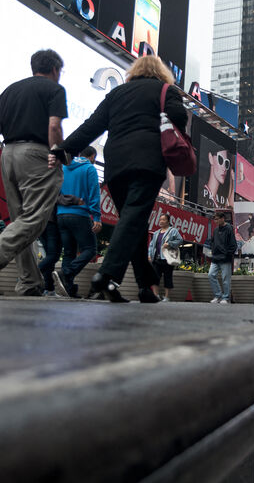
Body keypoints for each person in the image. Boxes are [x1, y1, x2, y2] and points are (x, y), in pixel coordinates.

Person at [55, 55, 187, 303]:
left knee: (133, 221)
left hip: (115, 166)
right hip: (147, 162)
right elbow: (180, 118)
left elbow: (91, 126)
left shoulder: (116, 94)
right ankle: (107, 275)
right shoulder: (165, 90)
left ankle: (145, 287)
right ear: (162, 73)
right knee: (133, 218)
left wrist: (64, 149)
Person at [0, 49, 66, 295]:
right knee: (34, 219)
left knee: (19, 220)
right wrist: (59, 153)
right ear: (55, 69)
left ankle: (29, 281)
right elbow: (54, 126)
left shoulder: (10, 90)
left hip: (7, 154)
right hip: (37, 155)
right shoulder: (54, 89)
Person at [51, 146, 102, 298]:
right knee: (90, 249)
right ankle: (66, 274)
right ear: (92, 156)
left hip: (61, 215)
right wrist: (96, 217)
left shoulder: (64, 167)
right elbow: (94, 193)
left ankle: (68, 289)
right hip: (79, 214)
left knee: (69, 253)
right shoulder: (89, 168)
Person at [148, 212, 183, 301]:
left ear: (168, 221)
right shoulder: (156, 233)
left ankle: (167, 297)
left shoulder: (173, 231)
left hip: (167, 259)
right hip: (156, 258)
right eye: (160, 219)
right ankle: (156, 295)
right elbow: (151, 245)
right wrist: (149, 255)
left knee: (168, 277)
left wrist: (170, 243)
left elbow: (180, 240)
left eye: (163, 219)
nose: (161, 221)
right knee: (154, 277)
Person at [207, 210, 237, 303]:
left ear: (222, 218)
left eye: (217, 219)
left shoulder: (229, 229)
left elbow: (233, 245)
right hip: (216, 257)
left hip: (225, 258)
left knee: (225, 279)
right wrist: (213, 251)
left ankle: (225, 298)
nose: (215, 221)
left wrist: (227, 254)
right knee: (211, 275)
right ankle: (218, 296)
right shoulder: (216, 230)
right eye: (214, 219)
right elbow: (213, 242)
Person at [203, 142, 234, 210]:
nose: (224, 169)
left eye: (226, 163)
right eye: (220, 160)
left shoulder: (220, 202)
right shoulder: (202, 194)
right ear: (211, 158)